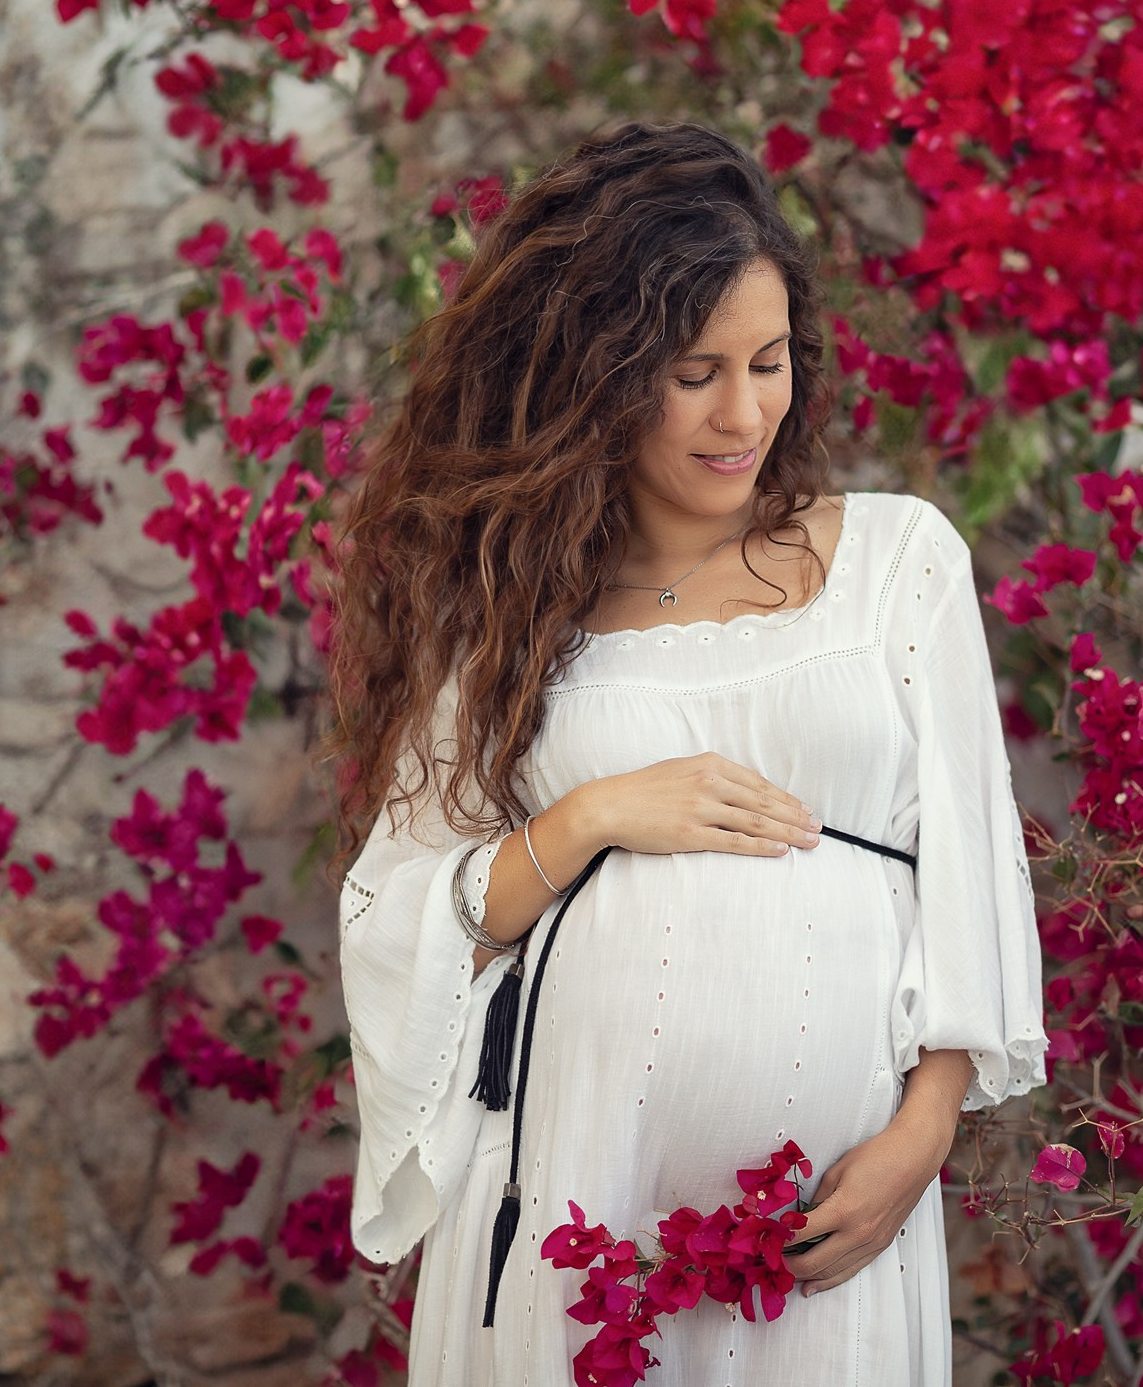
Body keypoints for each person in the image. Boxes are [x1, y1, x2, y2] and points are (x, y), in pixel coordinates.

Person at [324, 120, 1044, 1385]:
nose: (742, 413)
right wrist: (591, 816)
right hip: (566, 1199)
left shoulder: (895, 561)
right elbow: (404, 914)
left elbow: (969, 876)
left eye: (767, 362)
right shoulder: (510, 623)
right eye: (692, 372)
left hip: (823, 1225)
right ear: (595, 381)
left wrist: (921, 1131)